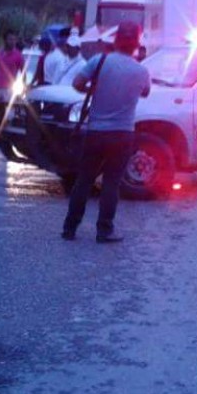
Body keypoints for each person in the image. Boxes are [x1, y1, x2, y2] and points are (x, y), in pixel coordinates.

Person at [62, 21, 151, 244]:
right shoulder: (141, 70)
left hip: (96, 132)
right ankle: (104, 230)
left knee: (84, 180)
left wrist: (94, 88)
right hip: (123, 134)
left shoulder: (99, 61)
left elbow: (77, 83)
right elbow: (146, 92)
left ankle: (70, 228)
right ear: (136, 45)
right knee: (112, 183)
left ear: (116, 40)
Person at [0, 30, 24, 142]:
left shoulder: (18, 55)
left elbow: (23, 72)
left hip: (10, 88)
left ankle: (4, 135)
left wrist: (23, 87)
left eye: (14, 39)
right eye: (10, 39)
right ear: (5, 40)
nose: (13, 42)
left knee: (7, 113)